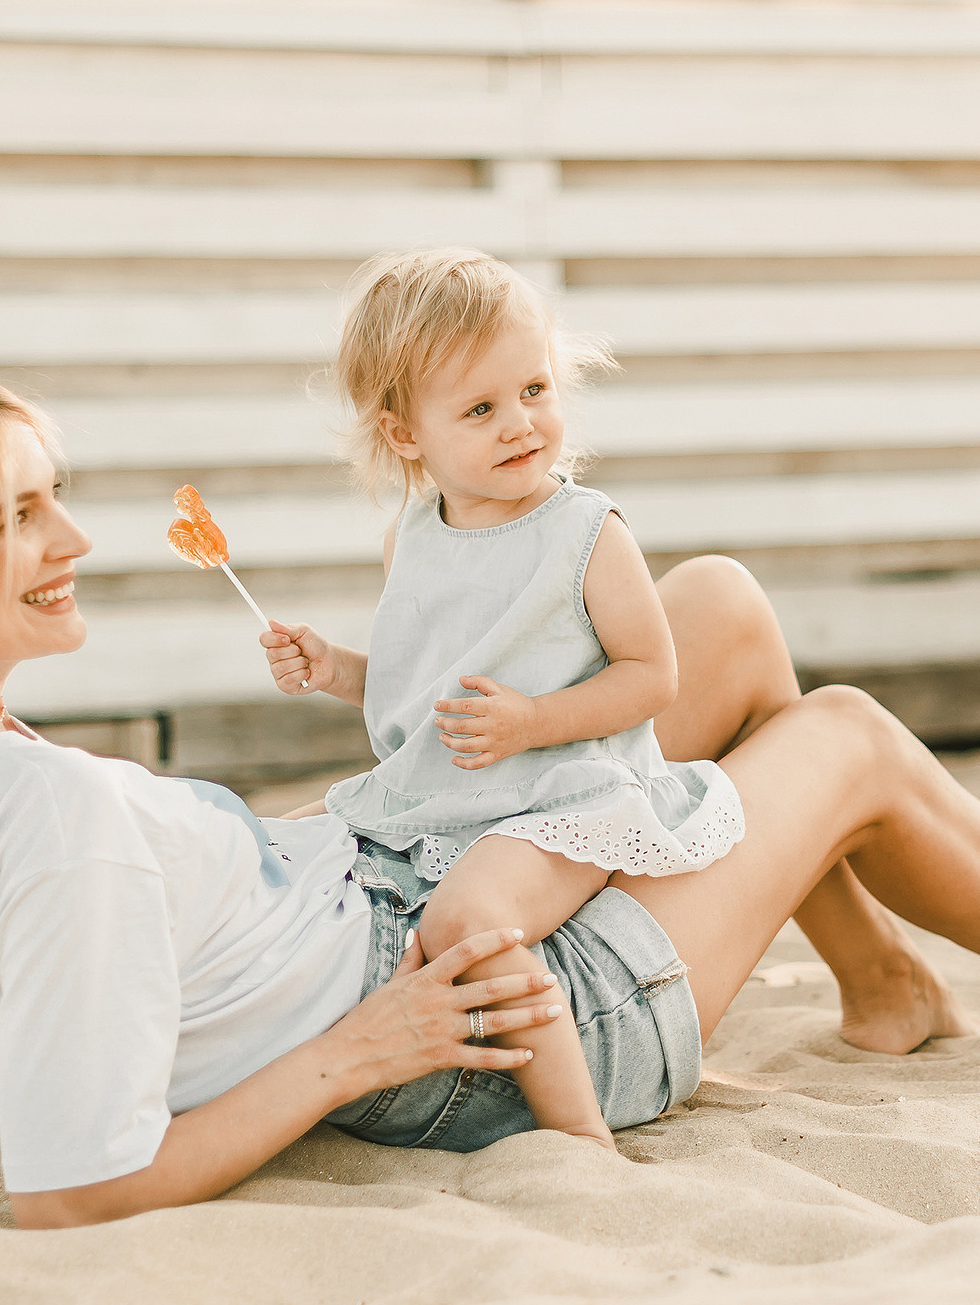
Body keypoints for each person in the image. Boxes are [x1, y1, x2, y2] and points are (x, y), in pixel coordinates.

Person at [0, 364, 980, 1231]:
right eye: (18, 514)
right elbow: (77, 1195)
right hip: (471, 1024)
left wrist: (27, 1047)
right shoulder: (50, 814)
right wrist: (348, 1052)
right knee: (848, 736)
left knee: (719, 619)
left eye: (52, 489)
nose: (72, 533)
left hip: (387, 884)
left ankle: (887, 979)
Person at [255, 250, 742, 1151]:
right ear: (407, 435)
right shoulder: (413, 536)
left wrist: (534, 721)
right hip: (444, 800)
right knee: (283, 855)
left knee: (468, 924)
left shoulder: (583, 532)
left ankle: (580, 1135)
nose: (521, 424)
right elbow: (423, 683)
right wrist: (335, 668)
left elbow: (651, 675)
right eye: (481, 409)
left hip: (558, 797)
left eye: (534, 389)